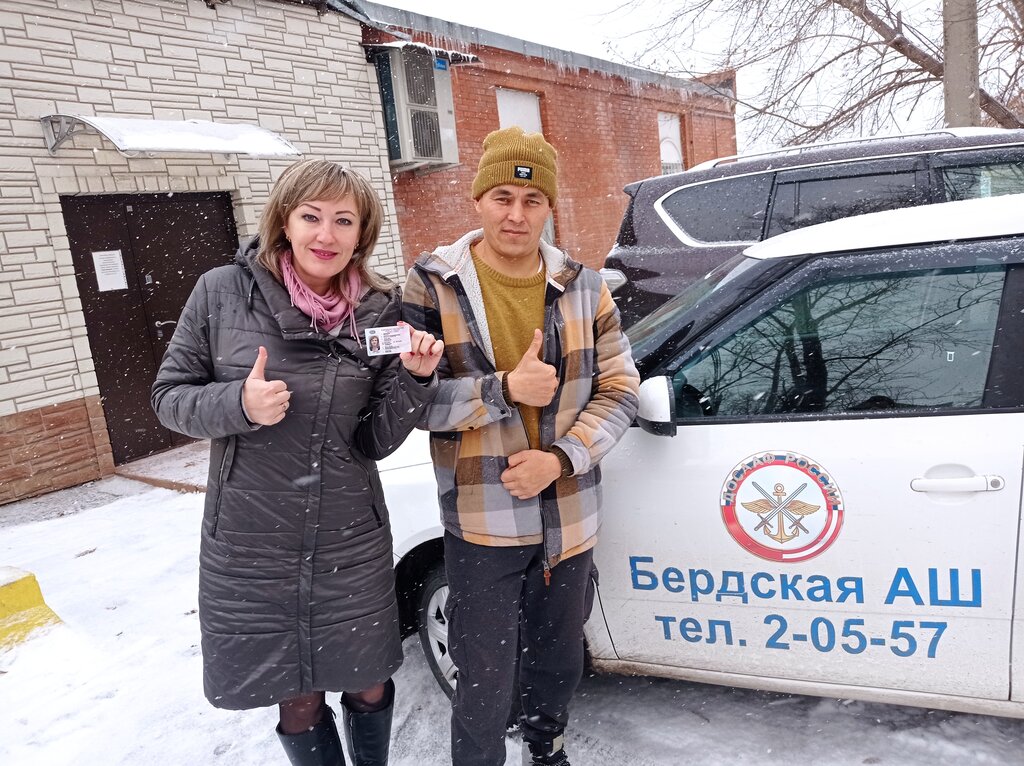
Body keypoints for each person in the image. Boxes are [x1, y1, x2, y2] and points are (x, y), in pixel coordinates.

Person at [152, 159, 444, 766]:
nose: (325, 235)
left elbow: (373, 441)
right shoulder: (221, 291)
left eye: (344, 220)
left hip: (348, 539)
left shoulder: (381, 311)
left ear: (361, 233)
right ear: (284, 221)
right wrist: (237, 403)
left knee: (368, 683)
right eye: (311, 216)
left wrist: (416, 381)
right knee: (299, 699)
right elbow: (169, 398)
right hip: (254, 538)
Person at [401, 127, 641, 766]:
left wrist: (561, 460)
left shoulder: (586, 288)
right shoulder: (433, 285)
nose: (516, 214)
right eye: (502, 196)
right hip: (482, 520)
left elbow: (620, 389)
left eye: (532, 201)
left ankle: (547, 746)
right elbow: (412, 403)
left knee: (559, 657)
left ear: (550, 207)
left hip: (569, 514)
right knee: (483, 674)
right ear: (478, 200)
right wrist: (504, 388)